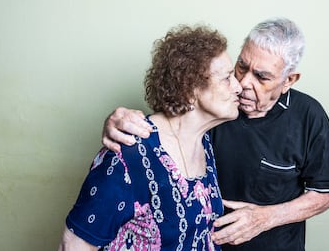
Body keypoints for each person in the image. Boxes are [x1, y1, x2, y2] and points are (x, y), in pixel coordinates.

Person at [102, 18, 329, 251]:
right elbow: (168, 127)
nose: (244, 83)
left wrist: (264, 218)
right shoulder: (218, 104)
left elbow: (323, 194)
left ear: (289, 80)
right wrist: (120, 121)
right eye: (242, 67)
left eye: (262, 77)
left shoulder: (309, 116)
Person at [58, 25, 242, 250]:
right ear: (190, 87)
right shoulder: (127, 154)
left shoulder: (203, 141)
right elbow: (73, 245)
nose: (238, 87)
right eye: (227, 78)